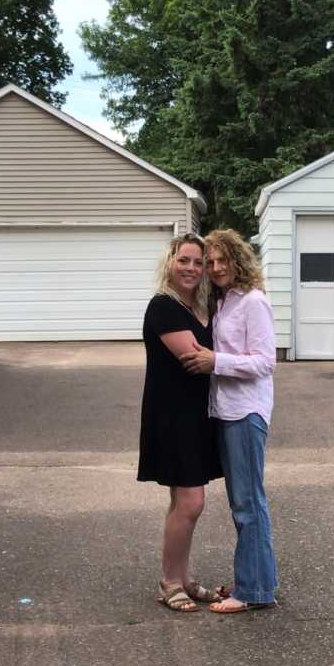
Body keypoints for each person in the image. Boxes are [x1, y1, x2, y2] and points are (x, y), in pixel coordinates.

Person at [181, 228, 279, 614]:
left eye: (223, 260)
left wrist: (215, 361)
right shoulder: (222, 303)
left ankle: (252, 592)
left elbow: (265, 361)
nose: (216, 267)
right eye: (211, 261)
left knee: (248, 503)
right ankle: (255, 582)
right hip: (225, 411)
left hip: (246, 412)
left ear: (239, 260)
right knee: (245, 502)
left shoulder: (253, 301)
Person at [137, 233, 222, 612]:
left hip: (197, 416)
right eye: (184, 260)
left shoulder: (201, 306)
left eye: (198, 262)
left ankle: (181, 578)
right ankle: (170, 582)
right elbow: (193, 359)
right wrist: (235, 359)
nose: (191, 268)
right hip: (172, 417)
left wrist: (218, 357)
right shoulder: (164, 307)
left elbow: (209, 359)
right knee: (191, 502)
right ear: (170, 263)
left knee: (182, 503)